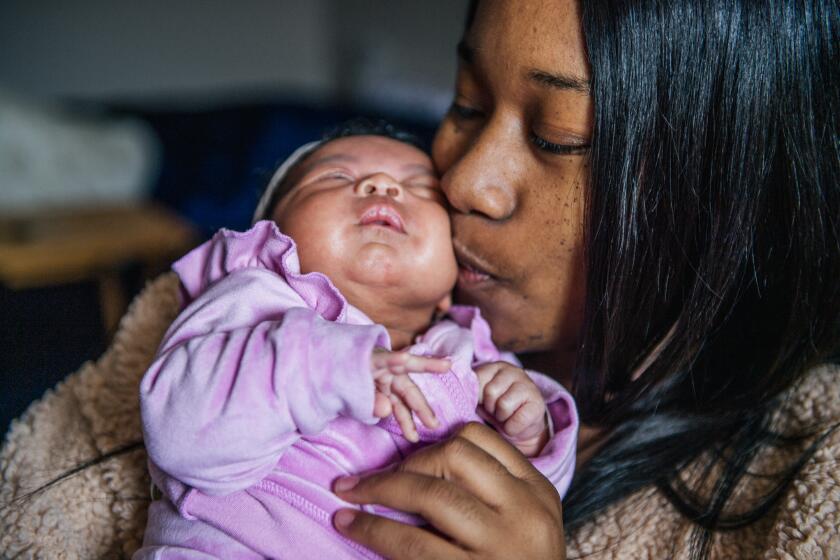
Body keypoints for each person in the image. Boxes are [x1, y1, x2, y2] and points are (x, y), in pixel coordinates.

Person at [1, 0, 837, 558]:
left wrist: (532, 419)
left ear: (725, 194)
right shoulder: (253, 306)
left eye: (557, 137)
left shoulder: (806, 479)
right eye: (465, 104)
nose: (464, 180)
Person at [134, 123, 578, 558]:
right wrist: (331, 363)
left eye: (421, 188)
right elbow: (178, 432)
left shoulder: (473, 354)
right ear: (271, 240)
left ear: (451, 283)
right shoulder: (254, 302)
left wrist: (531, 438)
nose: (381, 184)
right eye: (336, 176)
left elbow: (526, 518)